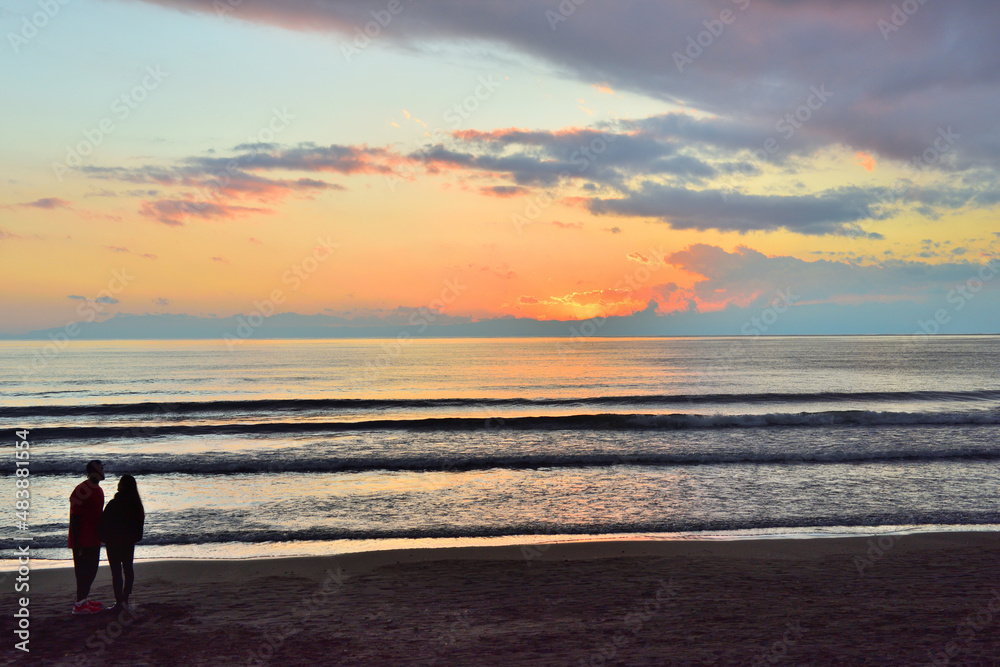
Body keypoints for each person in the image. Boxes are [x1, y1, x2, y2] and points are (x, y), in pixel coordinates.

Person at [99, 474, 145, 611]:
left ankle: (119, 601)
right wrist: (133, 538)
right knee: (128, 570)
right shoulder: (136, 504)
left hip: (113, 542)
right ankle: (125, 599)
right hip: (127, 542)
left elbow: (103, 521)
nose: (117, 485)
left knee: (116, 572)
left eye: (119, 483)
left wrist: (103, 537)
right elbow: (138, 525)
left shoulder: (114, 503)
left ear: (123, 486)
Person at [69, 460, 105, 614]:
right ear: (94, 471)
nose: (103, 471)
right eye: (101, 468)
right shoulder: (82, 489)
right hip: (83, 539)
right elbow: (75, 516)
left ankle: (83, 600)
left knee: (91, 570)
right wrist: (77, 542)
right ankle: (79, 604)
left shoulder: (98, 490)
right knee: (84, 571)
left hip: (94, 537)